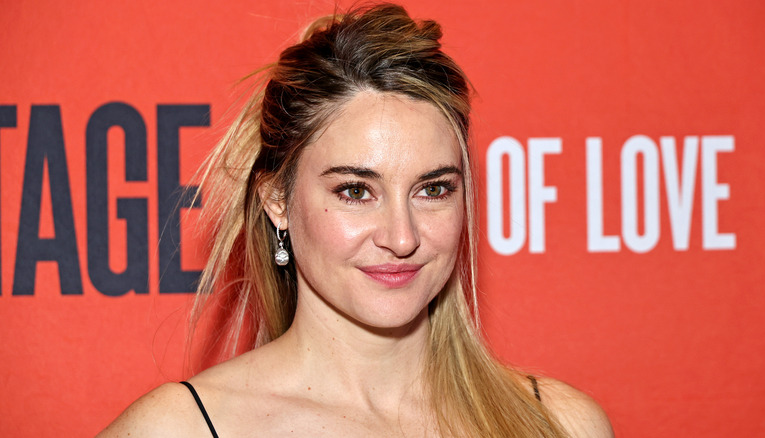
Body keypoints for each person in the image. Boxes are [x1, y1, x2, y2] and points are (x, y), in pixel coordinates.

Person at [99, 4, 613, 437]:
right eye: (355, 191)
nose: (402, 237)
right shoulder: (179, 429)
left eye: (433, 189)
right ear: (276, 198)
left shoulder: (559, 424)